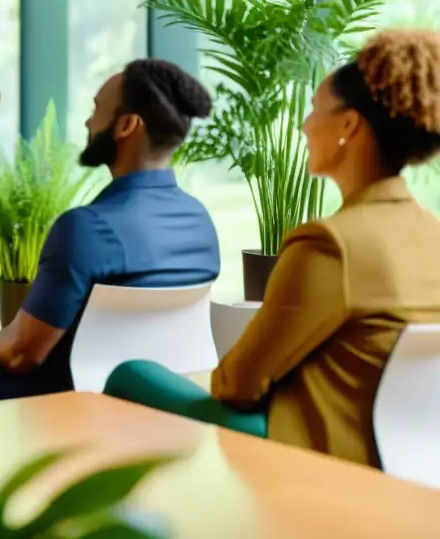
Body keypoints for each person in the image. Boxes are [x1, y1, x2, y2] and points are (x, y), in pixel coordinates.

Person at [104, 28, 440, 467]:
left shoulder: (329, 245)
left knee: (132, 375)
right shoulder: (431, 233)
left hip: (315, 452)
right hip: (403, 458)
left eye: (315, 110)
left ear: (348, 126)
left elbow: (237, 385)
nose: (304, 125)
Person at [0, 58, 221, 406]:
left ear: (126, 125)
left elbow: (21, 354)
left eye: (96, 110)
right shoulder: (200, 222)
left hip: (51, 406)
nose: (88, 122)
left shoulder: (86, 229)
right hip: (148, 407)